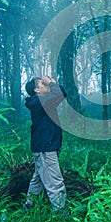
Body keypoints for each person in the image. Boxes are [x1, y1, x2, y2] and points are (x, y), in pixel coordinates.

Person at [24, 75, 67, 211]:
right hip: (45, 148)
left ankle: (30, 205)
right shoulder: (40, 102)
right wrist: (53, 84)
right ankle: (60, 211)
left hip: (44, 147)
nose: (47, 85)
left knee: (38, 178)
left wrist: (52, 84)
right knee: (55, 181)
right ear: (37, 90)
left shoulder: (43, 102)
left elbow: (61, 93)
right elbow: (61, 93)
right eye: (44, 84)